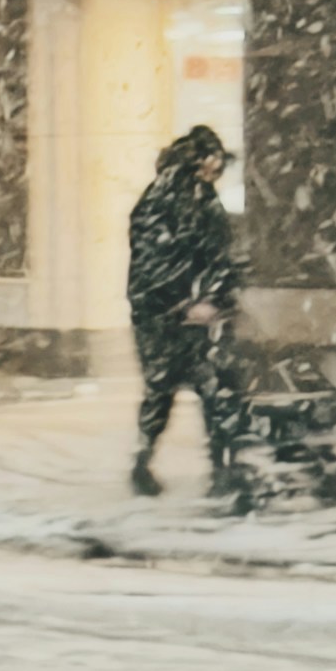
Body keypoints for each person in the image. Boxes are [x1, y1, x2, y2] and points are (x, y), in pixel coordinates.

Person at [127, 127, 250, 506]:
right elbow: (170, 259)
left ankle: (210, 467)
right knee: (188, 390)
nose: (216, 171)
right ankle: (206, 468)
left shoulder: (185, 198)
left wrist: (213, 294)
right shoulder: (172, 199)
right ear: (197, 162)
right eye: (212, 163)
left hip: (178, 315)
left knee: (190, 389)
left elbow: (210, 254)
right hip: (173, 317)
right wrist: (190, 301)